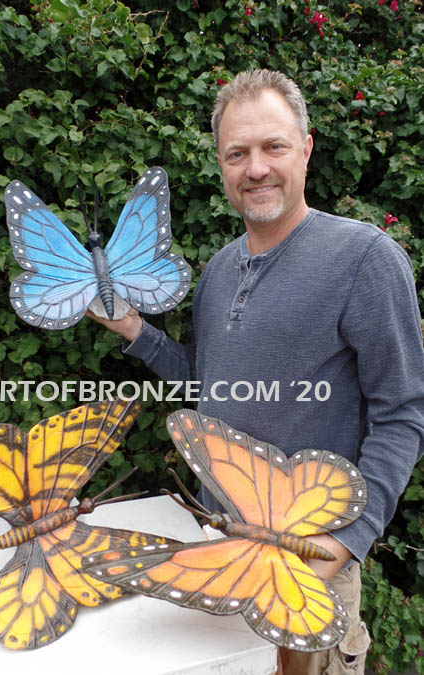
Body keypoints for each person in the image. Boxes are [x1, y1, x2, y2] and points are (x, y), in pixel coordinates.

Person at [87, 69, 424, 674]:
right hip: (220, 549)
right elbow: (209, 386)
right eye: (237, 153)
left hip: (306, 565)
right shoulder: (218, 271)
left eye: (274, 146)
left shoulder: (366, 259)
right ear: (221, 165)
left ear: (306, 148)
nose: (256, 168)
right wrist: (137, 331)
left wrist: (349, 538)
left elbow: (404, 413)